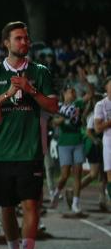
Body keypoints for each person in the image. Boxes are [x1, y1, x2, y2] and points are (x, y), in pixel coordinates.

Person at [0, 22, 57, 249]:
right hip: (1, 153)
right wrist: (7, 94)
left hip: (30, 152)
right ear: (6, 42)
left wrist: (31, 90)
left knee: (30, 205)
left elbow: (53, 106)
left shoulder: (40, 72)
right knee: (5, 206)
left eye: (26, 38)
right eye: (19, 38)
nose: (24, 43)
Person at [50, 87, 87, 215]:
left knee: (77, 174)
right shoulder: (58, 106)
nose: (74, 93)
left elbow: (90, 94)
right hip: (64, 143)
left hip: (78, 142)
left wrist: (85, 81)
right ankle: (56, 193)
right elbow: (54, 122)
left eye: (74, 92)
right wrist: (63, 119)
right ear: (64, 94)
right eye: (71, 91)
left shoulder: (78, 104)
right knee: (65, 175)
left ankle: (76, 203)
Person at [93, 78, 111, 213]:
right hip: (109, 143)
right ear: (106, 87)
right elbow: (97, 128)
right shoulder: (101, 105)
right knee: (110, 177)